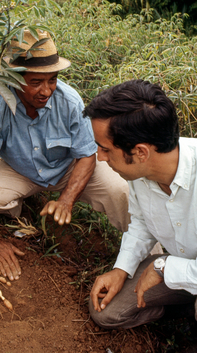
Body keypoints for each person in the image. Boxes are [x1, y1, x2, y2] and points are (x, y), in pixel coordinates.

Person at [0, 29, 129, 281]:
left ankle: (151, 256)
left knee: (121, 193)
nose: (46, 90)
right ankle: (30, 206)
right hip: (20, 170)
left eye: (52, 80)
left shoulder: (70, 102)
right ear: (14, 79)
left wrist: (67, 199)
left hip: (69, 168)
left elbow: (87, 156)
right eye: (35, 82)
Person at [83, 79, 197, 329]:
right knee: (106, 311)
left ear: (141, 153)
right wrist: (121, 269)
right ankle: (180, 312)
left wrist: (163, 267)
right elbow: (142, 222)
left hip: (178, 268)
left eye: (105, 149)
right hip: (181, 267)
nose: (100, 158)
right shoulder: (140, 174)